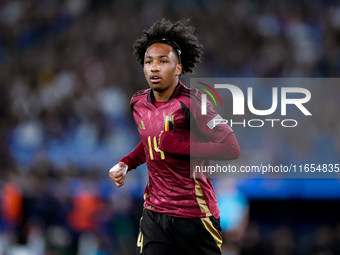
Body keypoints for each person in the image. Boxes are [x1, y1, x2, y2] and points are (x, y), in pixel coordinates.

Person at [109, 18, 240, 255]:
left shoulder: (193, 102)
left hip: (195, 215)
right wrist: (126, 163)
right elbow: (151, 143)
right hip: (154, 213)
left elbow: (230, 148)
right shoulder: (138, 103)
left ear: (178, 68)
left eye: (163, 61)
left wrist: (181, 146)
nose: (154, 67)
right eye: (148, 62)